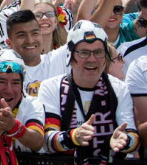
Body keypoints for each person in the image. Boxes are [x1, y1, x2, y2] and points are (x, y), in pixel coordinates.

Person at [38, 21, 139, 162]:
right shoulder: (51, 87)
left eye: (98, 52)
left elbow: (133, 137)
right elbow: (47, 141)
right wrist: (73, 137)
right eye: (84, 53)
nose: (92, 59)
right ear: (70, 56)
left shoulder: (119, 88)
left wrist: (125, 141)